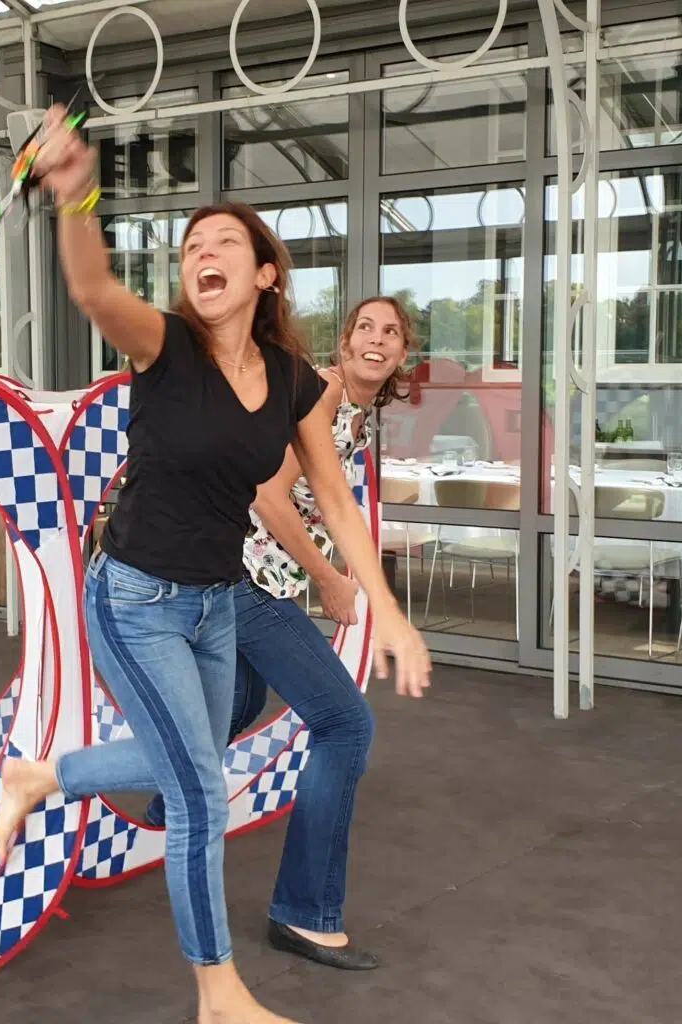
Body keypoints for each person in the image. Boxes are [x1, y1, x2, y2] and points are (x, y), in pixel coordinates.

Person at [0, 105, 431, 1024]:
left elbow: (336, 502)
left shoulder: (293, 379)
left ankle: (40, 777)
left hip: (217, 605)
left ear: (264, 273)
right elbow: (93, 290)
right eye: (194, 244)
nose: (204, 251)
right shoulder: (165, 346)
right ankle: (219, 992)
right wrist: (76, 196)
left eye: (225, 241)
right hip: (134, 596)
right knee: (199, 790)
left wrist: (386, 608)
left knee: (186, 759)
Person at [143, 298, 417, 973]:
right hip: (244, 578)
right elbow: (267, 494)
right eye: (365, 328)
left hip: (241, 574)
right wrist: (328, 577)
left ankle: (158, 805)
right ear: (345, 342)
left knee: (234, 704)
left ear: (402, 354)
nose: (376, 340)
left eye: (390, 333)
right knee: (345, 725)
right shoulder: (323, 395)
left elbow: (322, 502)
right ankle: (304, 913)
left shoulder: (355, 413)